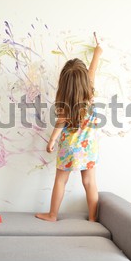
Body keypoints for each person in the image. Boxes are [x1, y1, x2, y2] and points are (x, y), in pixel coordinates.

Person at [36, 36, 103, 222]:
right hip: (88, 147)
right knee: (89, 183)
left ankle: (52, 214)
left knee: (60, 180)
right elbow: (93, 70)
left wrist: (52, 140)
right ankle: (92, 219)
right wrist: (98, 50)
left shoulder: (65, 101)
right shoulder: (89, 93)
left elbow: (61, 122)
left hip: (68, 147)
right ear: (84, 80)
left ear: (64, 83)